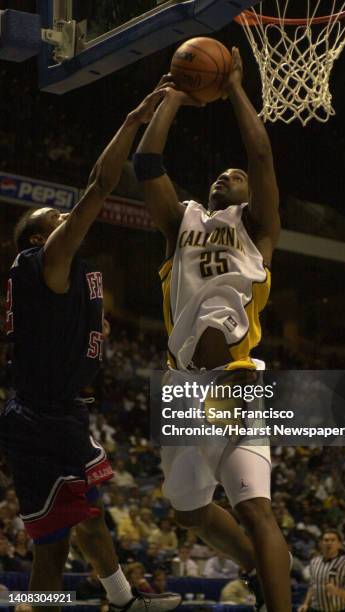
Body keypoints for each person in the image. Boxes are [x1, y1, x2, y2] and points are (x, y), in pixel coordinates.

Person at [0, 81, 181, 612]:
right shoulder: (44, 264)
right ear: (38, 239)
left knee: (74, 528)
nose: (64, 219)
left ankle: (119, 600)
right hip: (41, 419)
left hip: (52, 412)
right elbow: (100, 184)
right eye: (53, 220)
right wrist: (133, 118)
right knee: (64, 538)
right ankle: (100, 603)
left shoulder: (53, 276)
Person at [134, 47, 290, 612]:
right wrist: (174, 95)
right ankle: (253, 564)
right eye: (223, 173)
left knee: (255, 504)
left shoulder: (258, 231)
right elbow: (147, 164)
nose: (230, 173)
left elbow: (262, 153)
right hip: (182, 384)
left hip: (236, 375)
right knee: (188, 508)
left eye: (238, 175)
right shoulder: (184, 222)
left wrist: (236, 88)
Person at [298, 530, 345, 612]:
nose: (329, 543)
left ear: (339, 544)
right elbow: (312, 586)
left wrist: (337, 591)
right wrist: (306, 604)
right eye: (326, 540)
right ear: (320, 544)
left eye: (333, 540)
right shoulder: (314, 562)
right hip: (315, 609)